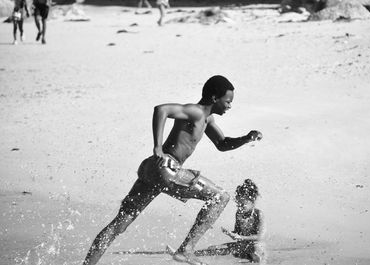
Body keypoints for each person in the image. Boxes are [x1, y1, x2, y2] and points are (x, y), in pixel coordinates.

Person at [82, 75, 263, 265]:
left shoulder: (207, 120)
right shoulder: (196, 112)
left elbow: (223, 144)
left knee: (119, 224)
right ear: (214, 98)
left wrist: (246, 138)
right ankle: (186, 250)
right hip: (167, 167)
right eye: (227, 101)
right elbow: (162, 109)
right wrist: (157, 146)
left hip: (150, 169)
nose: (229, 106)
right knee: (220, 197)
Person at [194, 179, 265, 263]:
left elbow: (259, 237)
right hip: (242, 245)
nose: (239, 208)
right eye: (238, 205)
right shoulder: (239, 214)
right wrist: (231, 234)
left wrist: (241, 237)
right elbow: (237, 233)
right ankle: (191, 254)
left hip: (255, 245)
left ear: (252, 200)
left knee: (256, 250)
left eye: (242, 204)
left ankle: (252, 258)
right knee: (213, 248)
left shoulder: (258, 214)